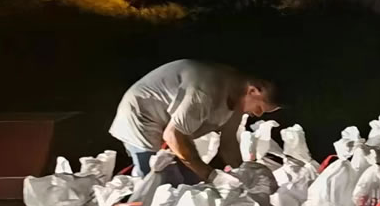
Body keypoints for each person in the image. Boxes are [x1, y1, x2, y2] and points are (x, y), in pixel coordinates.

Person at [107, 59, 278, 180]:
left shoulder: (238, 100)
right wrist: (210, 175)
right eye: (260, 108)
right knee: (156, 180)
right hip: (142, 115)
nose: (258, 114)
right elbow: (173, 135)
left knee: (191, 182)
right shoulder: (207, 91)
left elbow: (228, 144)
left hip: (170, 126)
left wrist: (243, 176)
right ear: (254, 90)